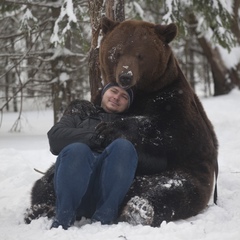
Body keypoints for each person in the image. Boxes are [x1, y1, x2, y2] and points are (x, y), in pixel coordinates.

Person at [47, 83, 137, 230]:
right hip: (72, 184)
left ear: (128, 105)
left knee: (123, 146)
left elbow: (155, 161)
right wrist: (94, 137)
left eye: (124, 97)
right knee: (78, 149)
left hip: (107, 190)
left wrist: (121, 138)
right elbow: (55, 139)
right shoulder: (80, 115)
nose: (116, 97)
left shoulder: (131, 126)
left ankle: (104, 219)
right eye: (113, 91)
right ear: (103, 93)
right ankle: (63, 219)